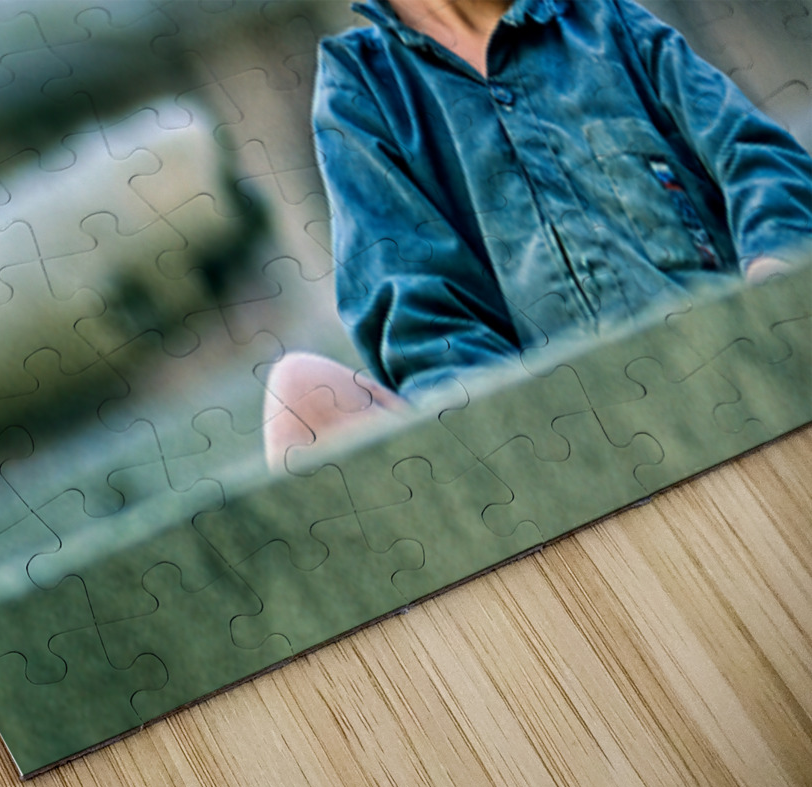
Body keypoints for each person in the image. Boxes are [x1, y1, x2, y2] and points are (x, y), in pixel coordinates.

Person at [262, 0, 812, 469]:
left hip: (738, 380)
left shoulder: (607, 19)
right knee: (300, 393)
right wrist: (534, 446)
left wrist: (773, 282)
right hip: (550, 455)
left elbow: (757, 161)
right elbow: (420, 326)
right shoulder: (361, 93)